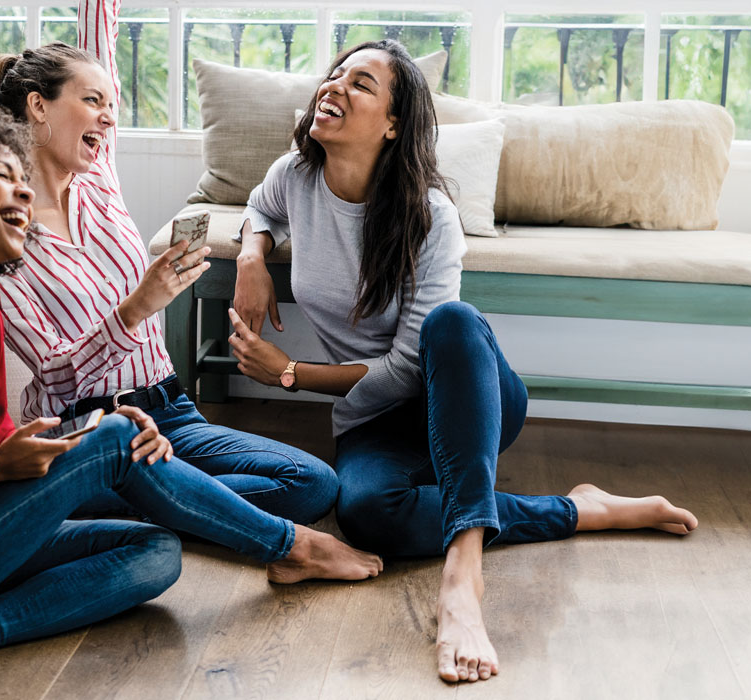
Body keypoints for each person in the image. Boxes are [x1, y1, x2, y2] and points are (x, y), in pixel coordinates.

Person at [0, 104, 381, 700]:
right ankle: (291, 545)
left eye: (23, 180)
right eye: (3, 174)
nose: (23, 191)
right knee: (115, 437)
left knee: (154, 550)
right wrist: (4, 465)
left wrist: (70, 441)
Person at [229, 40, 701, 684]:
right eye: (335, 75)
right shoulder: (296, 176)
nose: (334, 86)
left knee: (451, 324)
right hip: (376, 421)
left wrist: (289, 374)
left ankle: (463, 573)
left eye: (361, 84)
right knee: (366, 514)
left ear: (394, 125)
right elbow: (261, 204)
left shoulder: (431, 215)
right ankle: (580, 509)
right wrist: (251, 259)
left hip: (463, 390)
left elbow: (407, 368)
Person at [0, 0, 336, 526]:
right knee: (277, 495)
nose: (109, 113)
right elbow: (55, 377)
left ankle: (155, 501)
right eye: (91, 99)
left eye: (109, 101)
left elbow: (101, 36)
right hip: (89, 432)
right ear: (38, 106)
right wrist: (136, 308)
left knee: (311, 484)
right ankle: (166, 499)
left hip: (170, 409)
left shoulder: (97, 176)